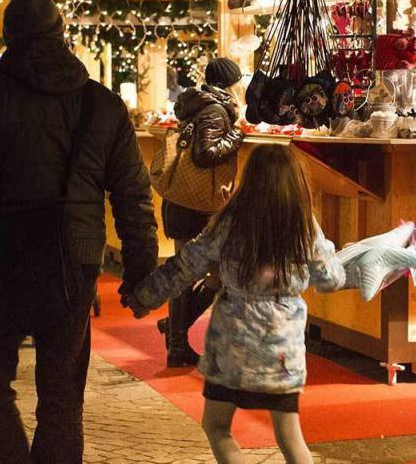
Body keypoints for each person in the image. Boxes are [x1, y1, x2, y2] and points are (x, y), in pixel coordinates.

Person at [0, 0, 158, 464]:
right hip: (75, 257)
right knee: (62, 394)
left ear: (9, 39)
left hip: (1, 254)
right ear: (61, 35)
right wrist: (139, 272)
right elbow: (133, 197)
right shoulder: (101, 105)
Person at [126, 144, 345, 464]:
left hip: (232, 347)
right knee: (290, 437)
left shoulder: (230, 220)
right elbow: (330, 279)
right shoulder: (304, 225)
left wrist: (145, 296)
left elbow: (187, 264)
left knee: (216, 426)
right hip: (282, 351)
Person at [159, 56, 244, 367]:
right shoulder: (215, 111)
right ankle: (177, 339)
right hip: (196, 207)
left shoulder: (199, 104)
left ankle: (176, 335)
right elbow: (205, 153)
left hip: (182, 205)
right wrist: (237, 136)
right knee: (216, 273)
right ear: (230, 83)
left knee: (193, 272)